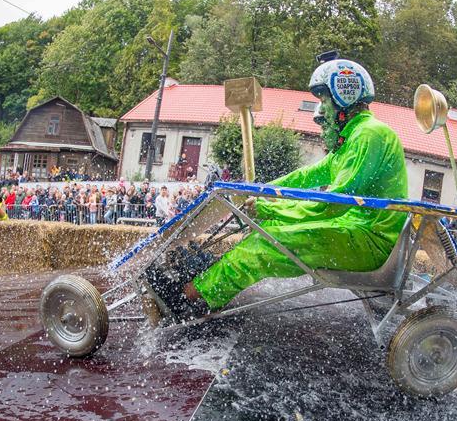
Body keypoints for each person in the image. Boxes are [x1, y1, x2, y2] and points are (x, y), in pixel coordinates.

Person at [167, 57, 408, 315]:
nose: (322, 110)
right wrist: (260, 191)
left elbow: (333, 205)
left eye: (325, 100)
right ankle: (210, 283)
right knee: (267, 231)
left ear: (343, 95)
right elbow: (306, 176)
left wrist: (271, 208)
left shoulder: (369, 134)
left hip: (370, 242)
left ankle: (189, 297)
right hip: (357, 231)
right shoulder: (352, 139)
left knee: (266, 244)